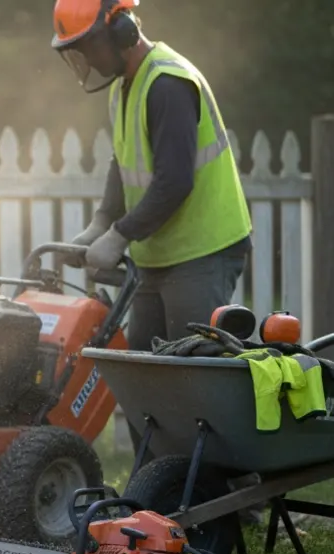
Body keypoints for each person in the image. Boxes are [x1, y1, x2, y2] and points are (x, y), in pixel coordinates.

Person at [50, 0, 254, 464]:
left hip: (203, 250)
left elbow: (174, 180)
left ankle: (229, 501)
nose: (86, 60)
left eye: (89, 47)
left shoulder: (167, 83)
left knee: (196, 383)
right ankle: (158, 493)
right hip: (157, 256)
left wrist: (119, 234)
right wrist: (101, 221)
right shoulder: (125, 87)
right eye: (75, 51)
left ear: (120, 29)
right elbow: (124, 159)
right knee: (144, 378)